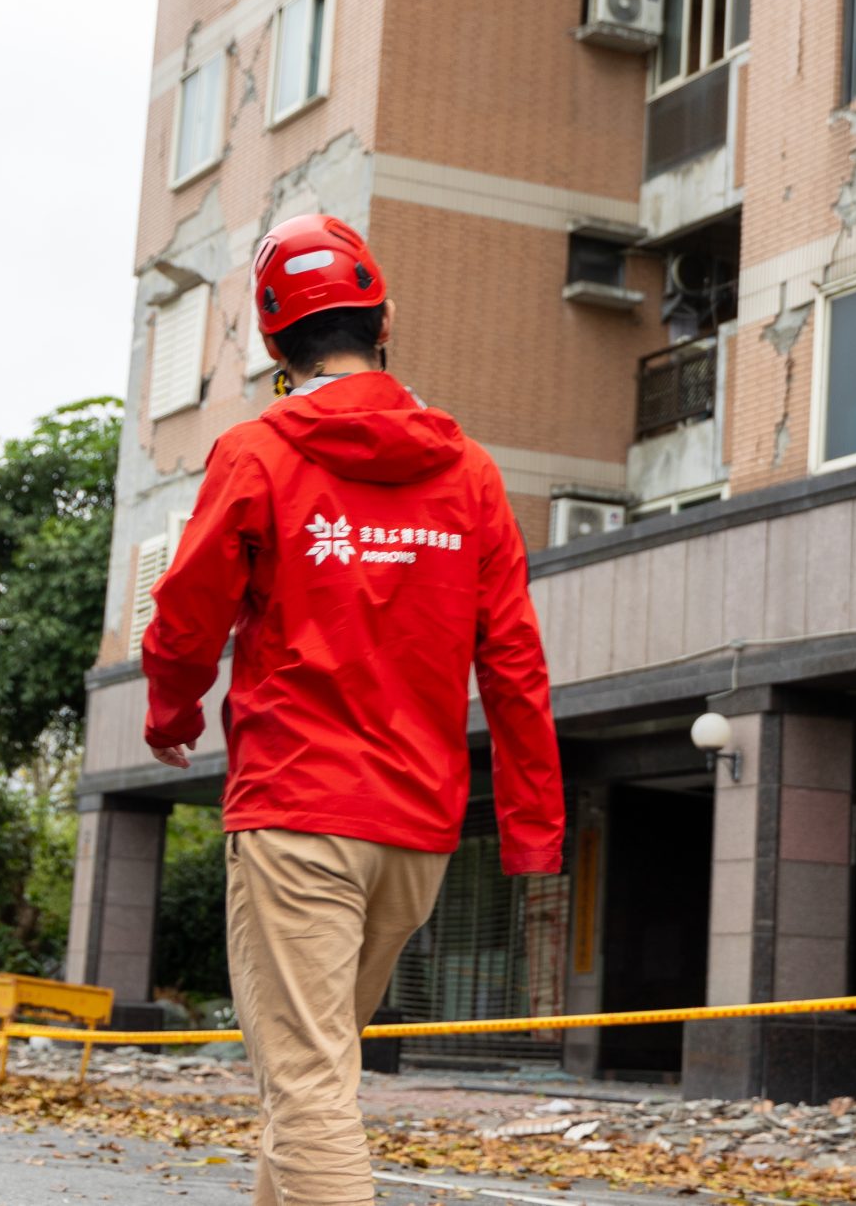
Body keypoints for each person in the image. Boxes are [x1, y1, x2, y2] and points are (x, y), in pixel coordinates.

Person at [140, 212, 564, 1206]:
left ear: (276, 345)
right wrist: (531, 828)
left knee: (307, 1084)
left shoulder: (258, 453)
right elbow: (515, 664)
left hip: (298, 811)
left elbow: (186, 614)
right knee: (311, 1073)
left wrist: (171, 714)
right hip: (415, 833)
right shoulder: (470, 474)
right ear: (385, 322)